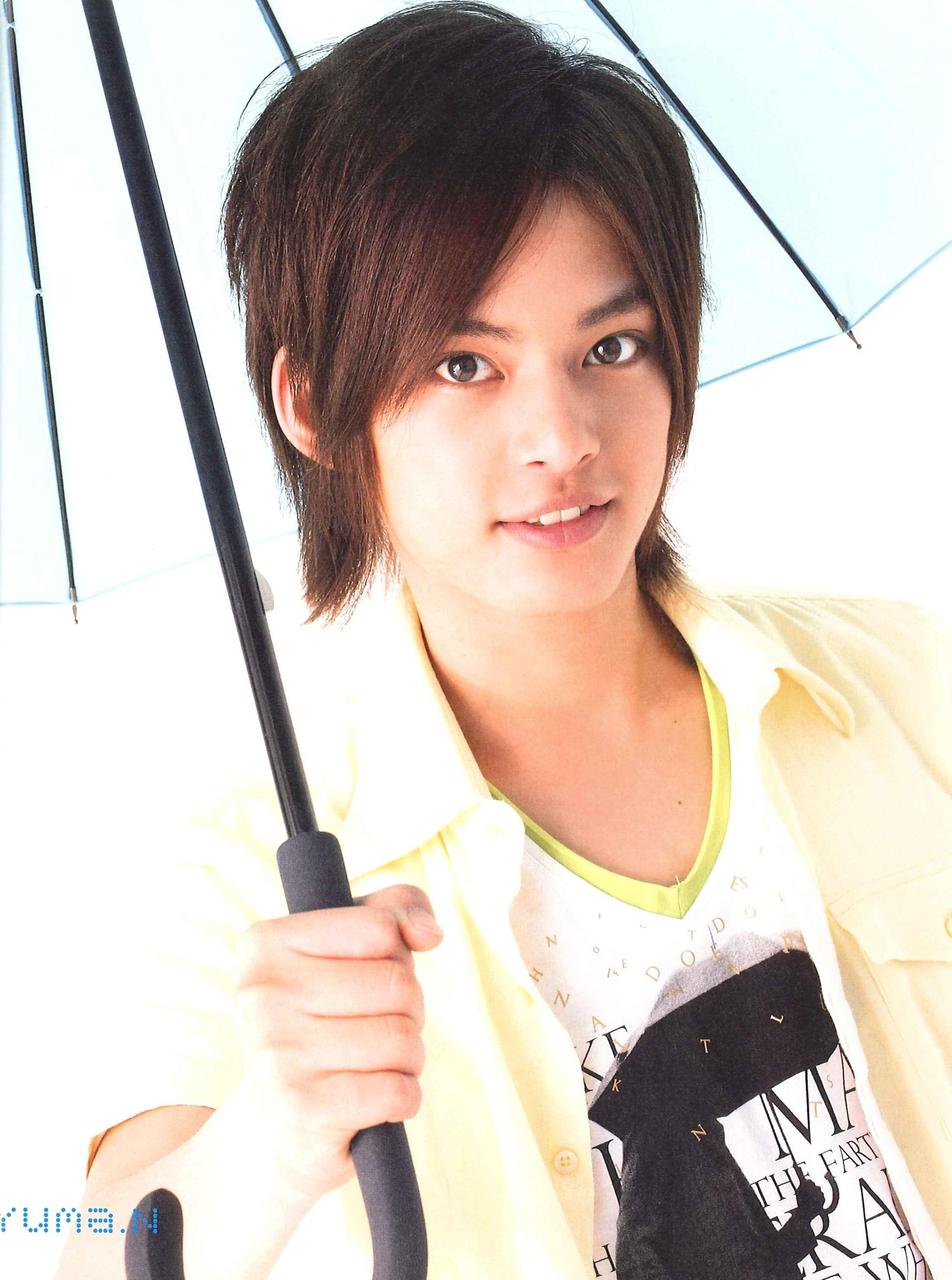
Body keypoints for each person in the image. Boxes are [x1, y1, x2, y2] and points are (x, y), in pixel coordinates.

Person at [56, 3, 952, 1278]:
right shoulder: (242, 873)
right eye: (465, 366)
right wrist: (266, 1139)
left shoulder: (908, 680)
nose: (563, 438)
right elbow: (89, 1245)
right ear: (312, 403)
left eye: (610, 346)